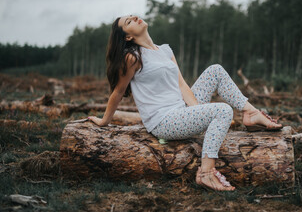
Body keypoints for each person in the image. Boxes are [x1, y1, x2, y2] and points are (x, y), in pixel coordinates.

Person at [88, 15, 283, 191]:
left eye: (133, 16)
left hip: (181, 110)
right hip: (163, 121)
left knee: (215, 70)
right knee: (223, 110)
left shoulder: (165, 50)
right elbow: (118, 91)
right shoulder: (133, 57)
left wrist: (198, 114)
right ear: (128, 37)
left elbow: (182, 85)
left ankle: (250, 112)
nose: (134, 18)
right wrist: (104, 121)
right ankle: (206, 173)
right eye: (128, 22)